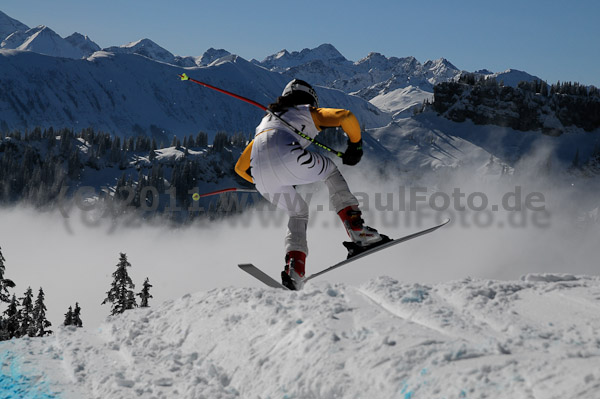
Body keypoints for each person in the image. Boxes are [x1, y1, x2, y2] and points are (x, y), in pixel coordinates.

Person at [235, 79, 387, 290]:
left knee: (298, 212)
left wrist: (272, 180)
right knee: (331, 171)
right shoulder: (306, 111)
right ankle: (358, 231)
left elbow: (240, 168)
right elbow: (346, 116)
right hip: (288, 157)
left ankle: (295, 268)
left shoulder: (266, 123)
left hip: (261, 176)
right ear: (309, 98)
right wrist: (355, 145)